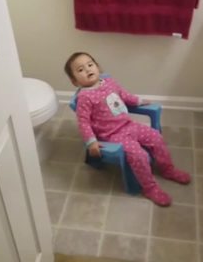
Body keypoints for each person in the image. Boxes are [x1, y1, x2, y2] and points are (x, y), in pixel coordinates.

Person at [64, 52, 191, 206]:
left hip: (128, 125)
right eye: (80, 70)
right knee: (139, 155)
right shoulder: (84, 97)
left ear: (97, 67)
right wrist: (91, 142)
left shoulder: (109, 82)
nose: (87, 69)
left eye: (90, 65)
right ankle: (149, 188)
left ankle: (167, 169)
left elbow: (123, 95)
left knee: (156, 137)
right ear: (74, 81)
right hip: (112, 135)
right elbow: (83, 122)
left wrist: (139, 101)